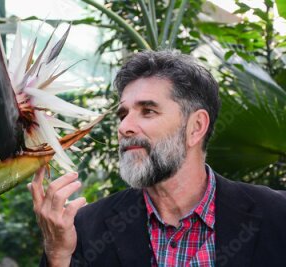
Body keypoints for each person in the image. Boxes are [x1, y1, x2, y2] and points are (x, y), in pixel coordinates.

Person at [28, 50, 286, 267]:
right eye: (123, 114)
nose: (124, 127)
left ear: (196, 127)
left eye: (148, 111)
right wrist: (58, 255)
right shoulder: (83, 230)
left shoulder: (277, 215)